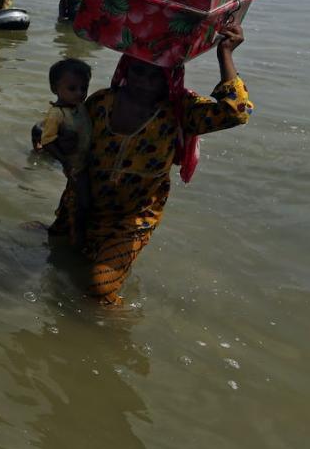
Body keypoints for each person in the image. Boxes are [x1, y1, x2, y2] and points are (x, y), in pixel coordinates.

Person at [47, 26, 252, 305]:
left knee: (99, 289)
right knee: (56, 256)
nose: (143, 82)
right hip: (83, 204)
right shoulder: (101, 102)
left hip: (131, 218)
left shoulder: (179, 112)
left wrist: (224, 53)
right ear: (126, 70)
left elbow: (236, 111)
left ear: (168, 78)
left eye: (154, 76)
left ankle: (115, 333)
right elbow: (66, 137)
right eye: (138, 72)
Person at [34, 59, 93, 243]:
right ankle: (79, 235)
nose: (80, 93)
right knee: (84, 201)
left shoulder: (78, 107)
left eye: (84, 88)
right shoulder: (57, 113)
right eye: (72, 88)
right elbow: (47, 141)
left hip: (86, 159)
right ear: (55, 88)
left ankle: (67, 227)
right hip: (75, 164)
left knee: (77, 197)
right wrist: (64, 160)